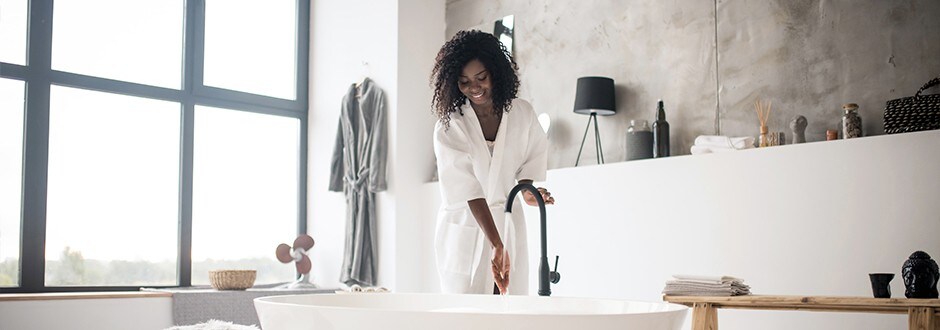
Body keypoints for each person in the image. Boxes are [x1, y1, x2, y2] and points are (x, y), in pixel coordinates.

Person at [430, 30, 554, 295]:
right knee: (467, 313)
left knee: (509, 310)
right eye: (464, 82)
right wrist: (496, 243)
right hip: (468, 224)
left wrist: (527, 189)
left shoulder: (522, 114)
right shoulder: (450, 126)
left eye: (481, 78)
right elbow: (467, 190)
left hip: (507, 219)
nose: (474, 87)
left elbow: (531, 156)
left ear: (496, 72)